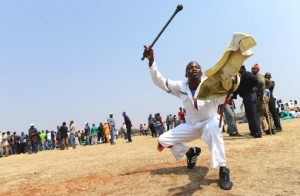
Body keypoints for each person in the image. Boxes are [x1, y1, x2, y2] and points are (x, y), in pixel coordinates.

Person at [143, 46, 233, 190]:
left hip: (209, 122)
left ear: (202, 72)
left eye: (197, 67)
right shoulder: (180, 87)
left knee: (214, 128)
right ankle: (191, 153)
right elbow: (159, 81)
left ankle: (223, 170)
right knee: (163, 140)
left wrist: (228, 88)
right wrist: (151, 61)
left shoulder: (210, 84)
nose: (194, 69)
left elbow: (221, 101)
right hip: (191, 125)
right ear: (186, 73)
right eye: (190, 68)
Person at [233, 65, 262, 138]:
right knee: (249, 115)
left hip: (250, 95)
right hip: (246, 97)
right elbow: (238, 88)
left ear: (242, 68)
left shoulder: (247, 74)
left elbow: (258, 81)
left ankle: (257, 133)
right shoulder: (240, 76)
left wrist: (255, 87)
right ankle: (253, 132)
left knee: (252, 115)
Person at [251, 64, 268, 133]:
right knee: (261, 114)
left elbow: (261, 82)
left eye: (254, 69)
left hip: (260, 97)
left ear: (257, 69)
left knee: (260, 114)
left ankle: (259, 129)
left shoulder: (259, 75)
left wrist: (262, 93)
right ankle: (264, 128)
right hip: (259, 96)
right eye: (252, 69)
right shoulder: (255, 76)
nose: (252, 70)